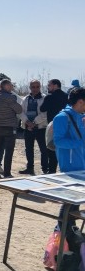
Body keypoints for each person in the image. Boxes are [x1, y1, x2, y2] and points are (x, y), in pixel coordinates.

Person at [53, 87, 85, 232]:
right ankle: (60, 229)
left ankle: (70, 227)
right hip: (70, 167)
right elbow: (58, 141)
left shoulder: (80, 116)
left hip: (80, 165)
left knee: (76, 200)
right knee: (69, 201)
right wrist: (79, 143)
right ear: (80, 102)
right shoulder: (62, 117)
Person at [0, 79, 22, 179]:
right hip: (9, 126)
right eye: (11, 85)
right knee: (9, 150)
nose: (12, 87)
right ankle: (7, 173)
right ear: (6, 86)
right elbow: (19, 109)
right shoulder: (10, 97)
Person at [18, 80, 48, 175]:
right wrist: (27, 122)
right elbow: (20, 112)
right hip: (28, 128)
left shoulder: (45, 98)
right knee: (29, 149)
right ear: (30, 87)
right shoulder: (25, 99)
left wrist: (34, 122)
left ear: (40, 87)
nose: (35, 89)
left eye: (37, 86)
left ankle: (45, 169)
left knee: (44, 149)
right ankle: (30, 168)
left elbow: (45, 114)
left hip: (41, 128)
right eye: (33, 87)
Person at [40, 79, 69, 173]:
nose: (48, 87)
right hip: (66, 125)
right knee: (63, 148)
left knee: (51, 148)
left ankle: (51, 171)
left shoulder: (49, 97)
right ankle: (64, 171)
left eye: (49, 85)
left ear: (55, 85)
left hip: (52, 126)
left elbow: (42, 109)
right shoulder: (66, 96)